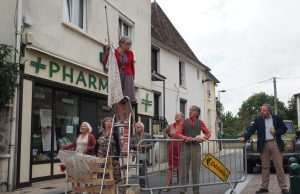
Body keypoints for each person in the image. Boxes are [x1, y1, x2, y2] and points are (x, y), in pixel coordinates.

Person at [240, 103, 289, 194]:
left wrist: (276, 132)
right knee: (265, 166)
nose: (262, 112)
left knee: (278, 166)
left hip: (274, 143)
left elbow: (284, 128)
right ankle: (264, 187)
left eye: (264, 110)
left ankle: (283, 187)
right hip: (263, 144)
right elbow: (251, 130)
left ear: (269, 111)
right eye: (261, 110)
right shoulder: (258, 120)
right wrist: (245, 137)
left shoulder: (277, 118)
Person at [176, 106, 211, 194]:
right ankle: (182, 191)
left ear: (197, 113)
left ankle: (196, 191)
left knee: (196, 171)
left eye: (193, 110)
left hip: (196, 147)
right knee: (183, 170)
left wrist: (202, 138)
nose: (190, 111)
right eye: (190, 110)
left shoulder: (201, 123)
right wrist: (185, 137)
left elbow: (208, 133)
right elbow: (178, 134)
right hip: (185, 147)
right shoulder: (184, 122)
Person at [104, 36, 136, 122]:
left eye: (130, 44)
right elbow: (106, 63)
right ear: (121, 44)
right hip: (117, 76)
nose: (129, 46)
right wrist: (108, 52)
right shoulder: (113, 52)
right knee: (119, 97)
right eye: (127, 44)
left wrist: (133, 78)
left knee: (127, 98)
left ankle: (127, 118)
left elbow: (132, 66)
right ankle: (121, 118)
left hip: (128, 76)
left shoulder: (130, 53)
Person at [162, 112, 184, 192]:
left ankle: (182, 187)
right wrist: (167, 137)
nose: (176, 116)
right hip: (172, 147)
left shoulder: (184, 126)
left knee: (182, 167)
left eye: (178, 115)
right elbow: (164, 131)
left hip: (182, 148)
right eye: (175, 115)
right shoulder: (171, 125)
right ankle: (167, 186)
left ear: (182, 117)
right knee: (170, 167)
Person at [94, 117, 121, 183]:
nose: (109, 123)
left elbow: (118, 147)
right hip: (101, 158)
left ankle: (113, 191)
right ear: (104, 123)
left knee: (113, 177)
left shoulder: (115, 134)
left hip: (111, 158)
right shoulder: (99, 134)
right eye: (107, 121)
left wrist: (116, 158)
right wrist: (96, 156)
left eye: (110, 121)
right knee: (102, 176)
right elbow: (96, 146)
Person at [130, 122, 154, 188]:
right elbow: (130, 144)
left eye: (139, 127)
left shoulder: (147, 135)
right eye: (136, 127)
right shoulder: (134, 135)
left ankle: (142, 185)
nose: (137, 129)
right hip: (136, 154)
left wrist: (144, 146)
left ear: (143, 128)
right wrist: (133, 146)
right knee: (140, 170)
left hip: (143, 154)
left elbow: (152, 144)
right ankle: (141, 184)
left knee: (142, 169)